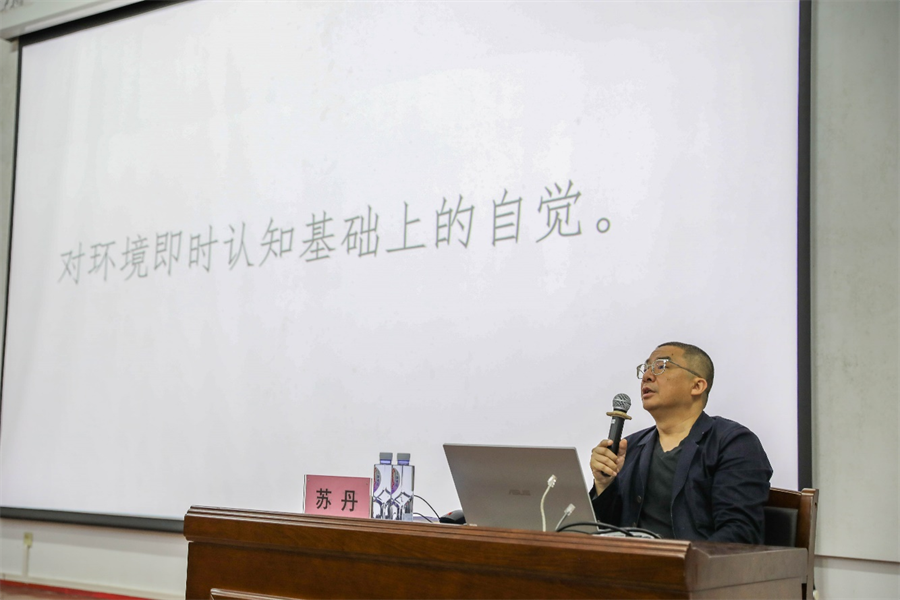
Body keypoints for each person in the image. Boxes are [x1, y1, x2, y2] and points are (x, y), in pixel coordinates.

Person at [590, 342, 772, 543]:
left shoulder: (733, 444)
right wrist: (603, 484)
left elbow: (739, 534)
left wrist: (679, 559)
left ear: (697, 386)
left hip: (694, 562)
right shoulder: (630, 446)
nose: (647, 376)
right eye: (646, 368)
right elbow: (607, 531)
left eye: (661, 366)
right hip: (632, 560)